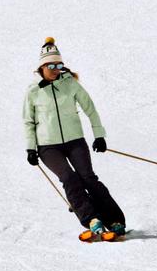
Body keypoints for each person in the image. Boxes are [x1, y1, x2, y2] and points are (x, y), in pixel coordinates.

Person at [22, 38, 126, 240]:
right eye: (51, 65)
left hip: (75, 141)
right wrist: (30, 148)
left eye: (59, 65)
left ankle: (115, 220)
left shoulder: (71, 84)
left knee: (88, 178)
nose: (55, 69)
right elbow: (28, 121)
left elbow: (91, 109)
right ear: (42, 67)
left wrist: (99, 135)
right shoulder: (33, 91)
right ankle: (92, 219)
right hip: (47, 147)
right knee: (69, 178)